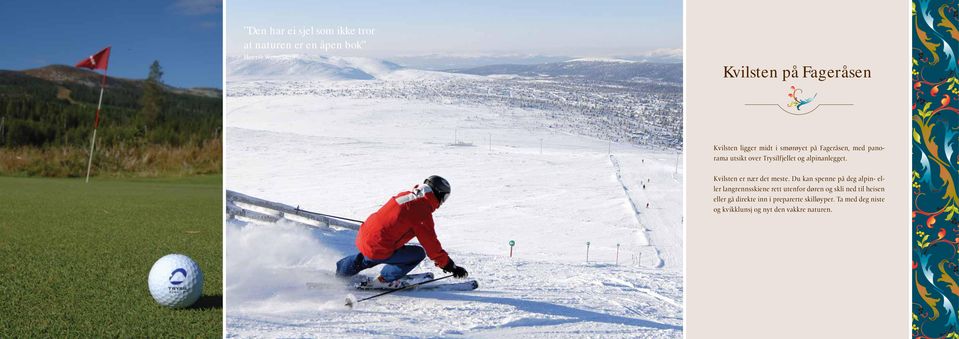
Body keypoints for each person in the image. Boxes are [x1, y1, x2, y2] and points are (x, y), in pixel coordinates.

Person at [335, 175, 468, 289]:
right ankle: (384, 280)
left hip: (365, 236)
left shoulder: (406, 196)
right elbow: (432, 246)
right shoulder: (422, 211)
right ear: (438, 194)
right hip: (379, 246)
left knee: (369, 256)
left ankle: (342, 271)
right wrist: (450, 266)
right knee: (417, 253)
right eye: (444, 197)